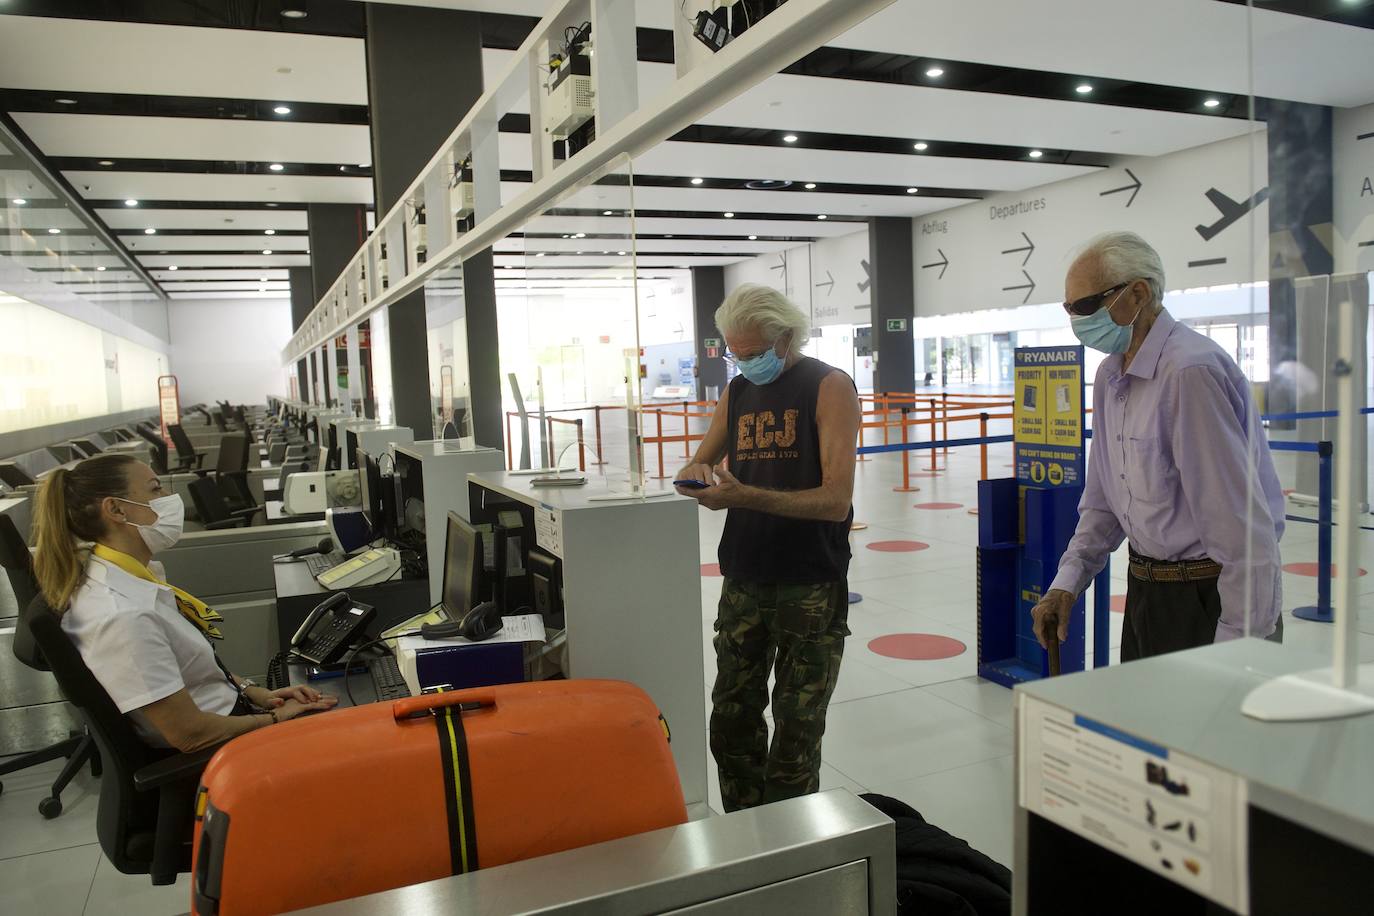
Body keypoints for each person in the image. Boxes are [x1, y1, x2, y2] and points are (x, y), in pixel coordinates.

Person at [1031, 232, 1284, 660]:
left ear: (1137, 294)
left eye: (1086, 307)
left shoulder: (1189, 372)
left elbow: (1241, 532)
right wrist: (1066, 584)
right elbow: (1104, 503)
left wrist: (1239, 650)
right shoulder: (1110, 378)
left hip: (1211, 599)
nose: (1076, 320)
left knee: (1205, 726)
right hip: (1148, 592)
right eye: (1069, 309)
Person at [675, 284, 860, 811]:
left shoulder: (828, 387)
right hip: (745, 576)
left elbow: (835, 501)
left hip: (809, 582)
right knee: (732, 717)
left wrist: (744, 494)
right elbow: (702, 460)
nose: (745, 362)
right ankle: (744, 831)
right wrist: (694, 476)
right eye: (736, 353)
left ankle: (791, 846)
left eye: (754, 353)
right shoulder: (738, 392)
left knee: (796, 731)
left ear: (785, 337)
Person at [32, 454, 336, 751]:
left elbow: (191, 668)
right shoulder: (123, 616)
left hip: (232, 714)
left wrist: (255, 692)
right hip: (220, 750)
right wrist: (273, 718)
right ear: (116, 509)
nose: (168, 496)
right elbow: (189, 734)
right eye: (155, 489)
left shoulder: (128, 577)